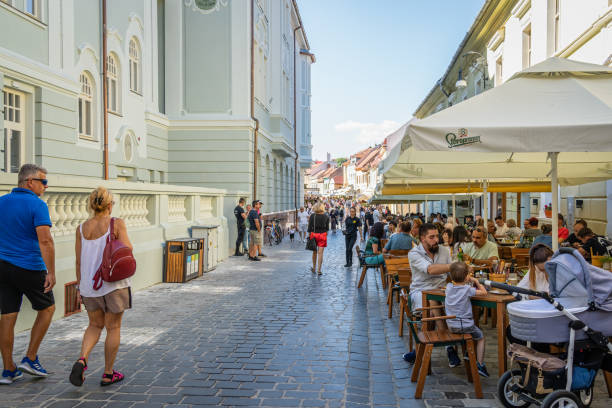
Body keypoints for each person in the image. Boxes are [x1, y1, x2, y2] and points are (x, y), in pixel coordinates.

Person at [69, 187, 133, 387]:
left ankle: (82, 359)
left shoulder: (82, 228)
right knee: (113, 327)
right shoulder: (116, 223)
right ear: (110, 205)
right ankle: (108, 373)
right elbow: (128, 249)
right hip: (113, 284)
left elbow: (78, 261)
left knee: (94, 325)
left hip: (89, 285)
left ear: (91, 205)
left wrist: (80, 287)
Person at [0, 164, 55, 384]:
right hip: (29, 266)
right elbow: (45, 240)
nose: (46, 186)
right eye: (43, 181)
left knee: (7, 316)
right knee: (48, 308)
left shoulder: (1, 202)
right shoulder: (37, 205)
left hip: (2, 267)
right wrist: (50, 272)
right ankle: (30, 358)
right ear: (29, 182)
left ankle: (8, 370)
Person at [405, 223, 460, 367]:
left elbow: (451, 274)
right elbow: (430, 269)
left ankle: (419, 350)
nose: (436, 239)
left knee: (459, 302)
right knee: (432, 302)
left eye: (437, 236)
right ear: (422, 239)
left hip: (442, 290)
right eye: (432, 237)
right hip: (420, 291)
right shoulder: (414, 253)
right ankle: (449, 346)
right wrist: (454, 266)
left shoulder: (443, 250)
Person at [445, 262, 489, 377]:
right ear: (466, 277)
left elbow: (456, 284)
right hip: (465, 326)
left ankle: (467, 353)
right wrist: (477, 282)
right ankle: (480, 364)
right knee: (480, 337)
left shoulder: (448, 287)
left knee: (467, 332)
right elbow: (484, 293)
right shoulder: (467, 289)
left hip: (451, 325)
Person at [507, 244, 554, 353]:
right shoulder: (535, 270)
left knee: (534, 335)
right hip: (536, 316)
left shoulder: (556, 272)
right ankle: (530, 360)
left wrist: (535, 296)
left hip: (550, 319)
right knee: (511, 330)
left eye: (544, 268)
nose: (542, 272)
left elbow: (555, 296)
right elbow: (518, 290)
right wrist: (532, 296)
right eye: (540, 269)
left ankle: (538, 360)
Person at [308, 202, 330, 275]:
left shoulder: (312, 216)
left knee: (314, 252)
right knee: (320, 253)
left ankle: (314, 267)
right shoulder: (326, 216)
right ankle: (319, 270)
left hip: (314, 234)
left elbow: (309, 228)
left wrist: (310, 235)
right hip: (322, 235)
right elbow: (327, 228)